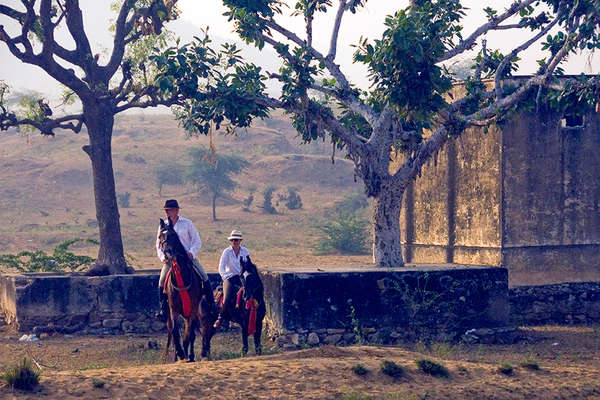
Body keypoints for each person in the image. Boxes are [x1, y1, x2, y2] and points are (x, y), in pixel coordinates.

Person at [155, 199, 214, 322]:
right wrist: (163, 257)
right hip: (170, 261)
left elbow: (197, 240)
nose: (167, 212)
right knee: (161, 281)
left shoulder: (187, 223)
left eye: (169, 210)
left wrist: (191, 252)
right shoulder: (163, 226)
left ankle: (212, 304)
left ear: (176, 210)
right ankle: (162, 308)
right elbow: (158, 245)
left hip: (187, 258)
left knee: (204, 276)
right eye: (166, 210)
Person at [213, 230, 250, 329]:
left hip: (241, 278)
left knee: (251, 294)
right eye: (233, 240)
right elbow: (221, 268)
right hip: (229, 278)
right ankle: (221, 318)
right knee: (228, 296)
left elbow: (248, 266)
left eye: (236, 240)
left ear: (240, 241)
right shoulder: (226, 252)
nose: (235, 242)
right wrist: (227, 277)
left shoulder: (245, 251)